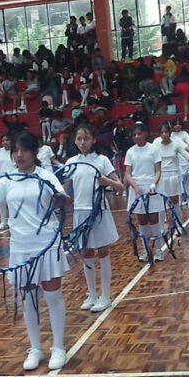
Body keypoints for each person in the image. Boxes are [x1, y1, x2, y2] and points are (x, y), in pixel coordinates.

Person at [0, 132, 71, 371]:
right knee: (28, 298)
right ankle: (36, 348)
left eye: (24, 150)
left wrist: (62, 198)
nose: (19, 155)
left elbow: (63, 200)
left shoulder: (46, 176)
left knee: (52, 296)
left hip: (47, 244)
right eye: (15, 151)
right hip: (21, 247)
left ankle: (58, 347)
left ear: (34, 152)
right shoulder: (6, 180)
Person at [64, 124, 124, 313]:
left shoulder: (102, 160)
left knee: (102, 251)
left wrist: (107, 182)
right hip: (80, 211)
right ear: (75, 140)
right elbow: (64, 190)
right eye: (79, 138)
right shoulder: (71, 162)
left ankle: (105, 295)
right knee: (86, 253)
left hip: (98, 211)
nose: (82, 142)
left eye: (86, 138)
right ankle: (92, 294)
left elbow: (120, 186)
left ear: (93, 140)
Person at [123, 123, 163, 262]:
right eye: (134, 134)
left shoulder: (153, 149)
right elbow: (127, 173)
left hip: (151, 187)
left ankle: (158, 249)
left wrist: (153, 184)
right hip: (137, 188)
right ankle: (146, 249)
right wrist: (134, 186)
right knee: (142, 220)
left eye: (139, 133)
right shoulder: (130, 152)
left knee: (153, 218)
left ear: (146, 133)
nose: (137, 137)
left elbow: (158, 170)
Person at [154, 122, 189, 223]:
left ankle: (178, 222)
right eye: (162, 132)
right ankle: (162, 225)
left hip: (173, 176)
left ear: (170, 133)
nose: (164, 134)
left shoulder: (176, 143)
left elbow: (186, 155)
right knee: (161, 200)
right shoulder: (155, 143)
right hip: (161, 176)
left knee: (175, 202)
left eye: (166, 132)